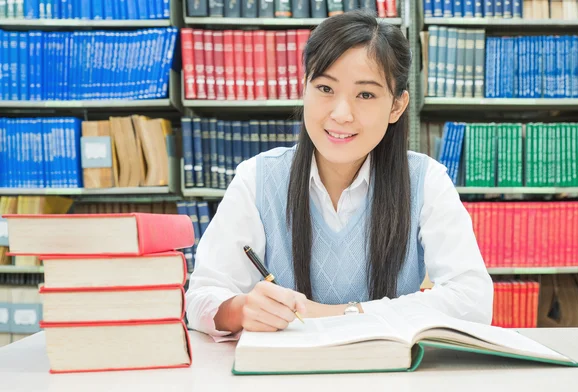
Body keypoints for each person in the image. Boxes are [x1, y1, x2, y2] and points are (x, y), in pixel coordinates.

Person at [185, 9, 493, 340]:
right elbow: (201, 298)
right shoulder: (257, 178)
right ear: (304, 88)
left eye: (365, 94)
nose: (341, 114)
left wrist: (345, 314)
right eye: (325, 88)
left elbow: (473, 301)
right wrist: (241, 309)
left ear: (396, 107)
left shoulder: (426, 181)